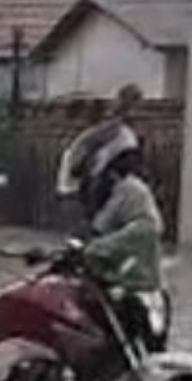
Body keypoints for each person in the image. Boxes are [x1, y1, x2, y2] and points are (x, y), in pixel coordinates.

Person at [56, 87, 166, 294]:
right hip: (87, 195)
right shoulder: (97, 140)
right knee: (91, 247)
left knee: (98, 247)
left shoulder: (119, 140)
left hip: (111, 208)